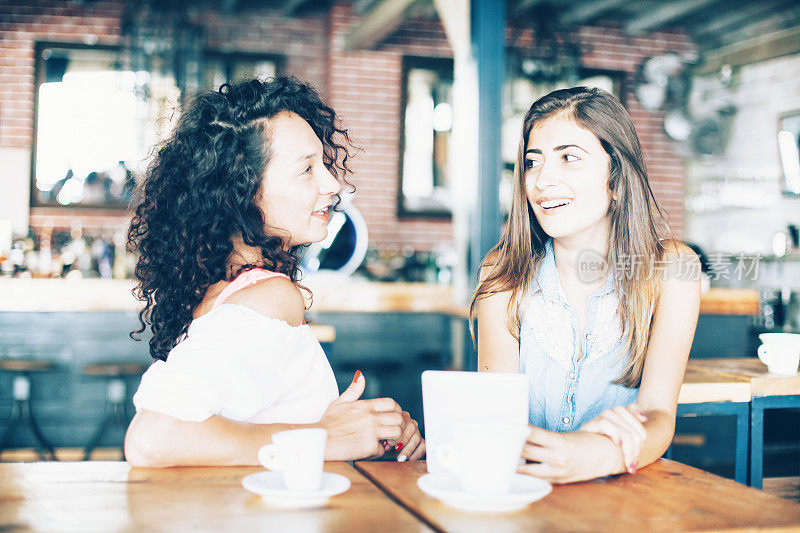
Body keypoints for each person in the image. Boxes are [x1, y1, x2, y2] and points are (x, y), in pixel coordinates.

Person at [124, 77, 424, 467]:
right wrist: (325, 436)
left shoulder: (222, 289)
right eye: (306, 170)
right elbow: (153, 438)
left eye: (324, 164)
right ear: (243, 191)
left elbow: (263, 419)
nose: (333, 184)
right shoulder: (272, 296)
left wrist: (363, 428)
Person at [470, 86, 700, 484]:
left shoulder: (674, 268)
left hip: (624, 498)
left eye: (569, 158)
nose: (542, 180)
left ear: (616, 180)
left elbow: (659, 415)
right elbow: (496, 416)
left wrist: (598, 455)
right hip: (523, 493)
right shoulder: (503, 272)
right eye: (532, 162)